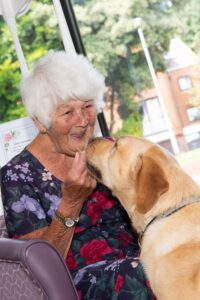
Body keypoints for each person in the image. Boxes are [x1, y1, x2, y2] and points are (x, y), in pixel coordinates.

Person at [1, 51, 155, 300]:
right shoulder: (18, 176)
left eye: (87, 106)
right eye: (67, 113)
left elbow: (149, 213)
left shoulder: (109, 151)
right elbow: (41, 265)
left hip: (138, 259)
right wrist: (71, 202)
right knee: (145, 273)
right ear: (40, 122)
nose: (82, 121)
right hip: (80, 280)